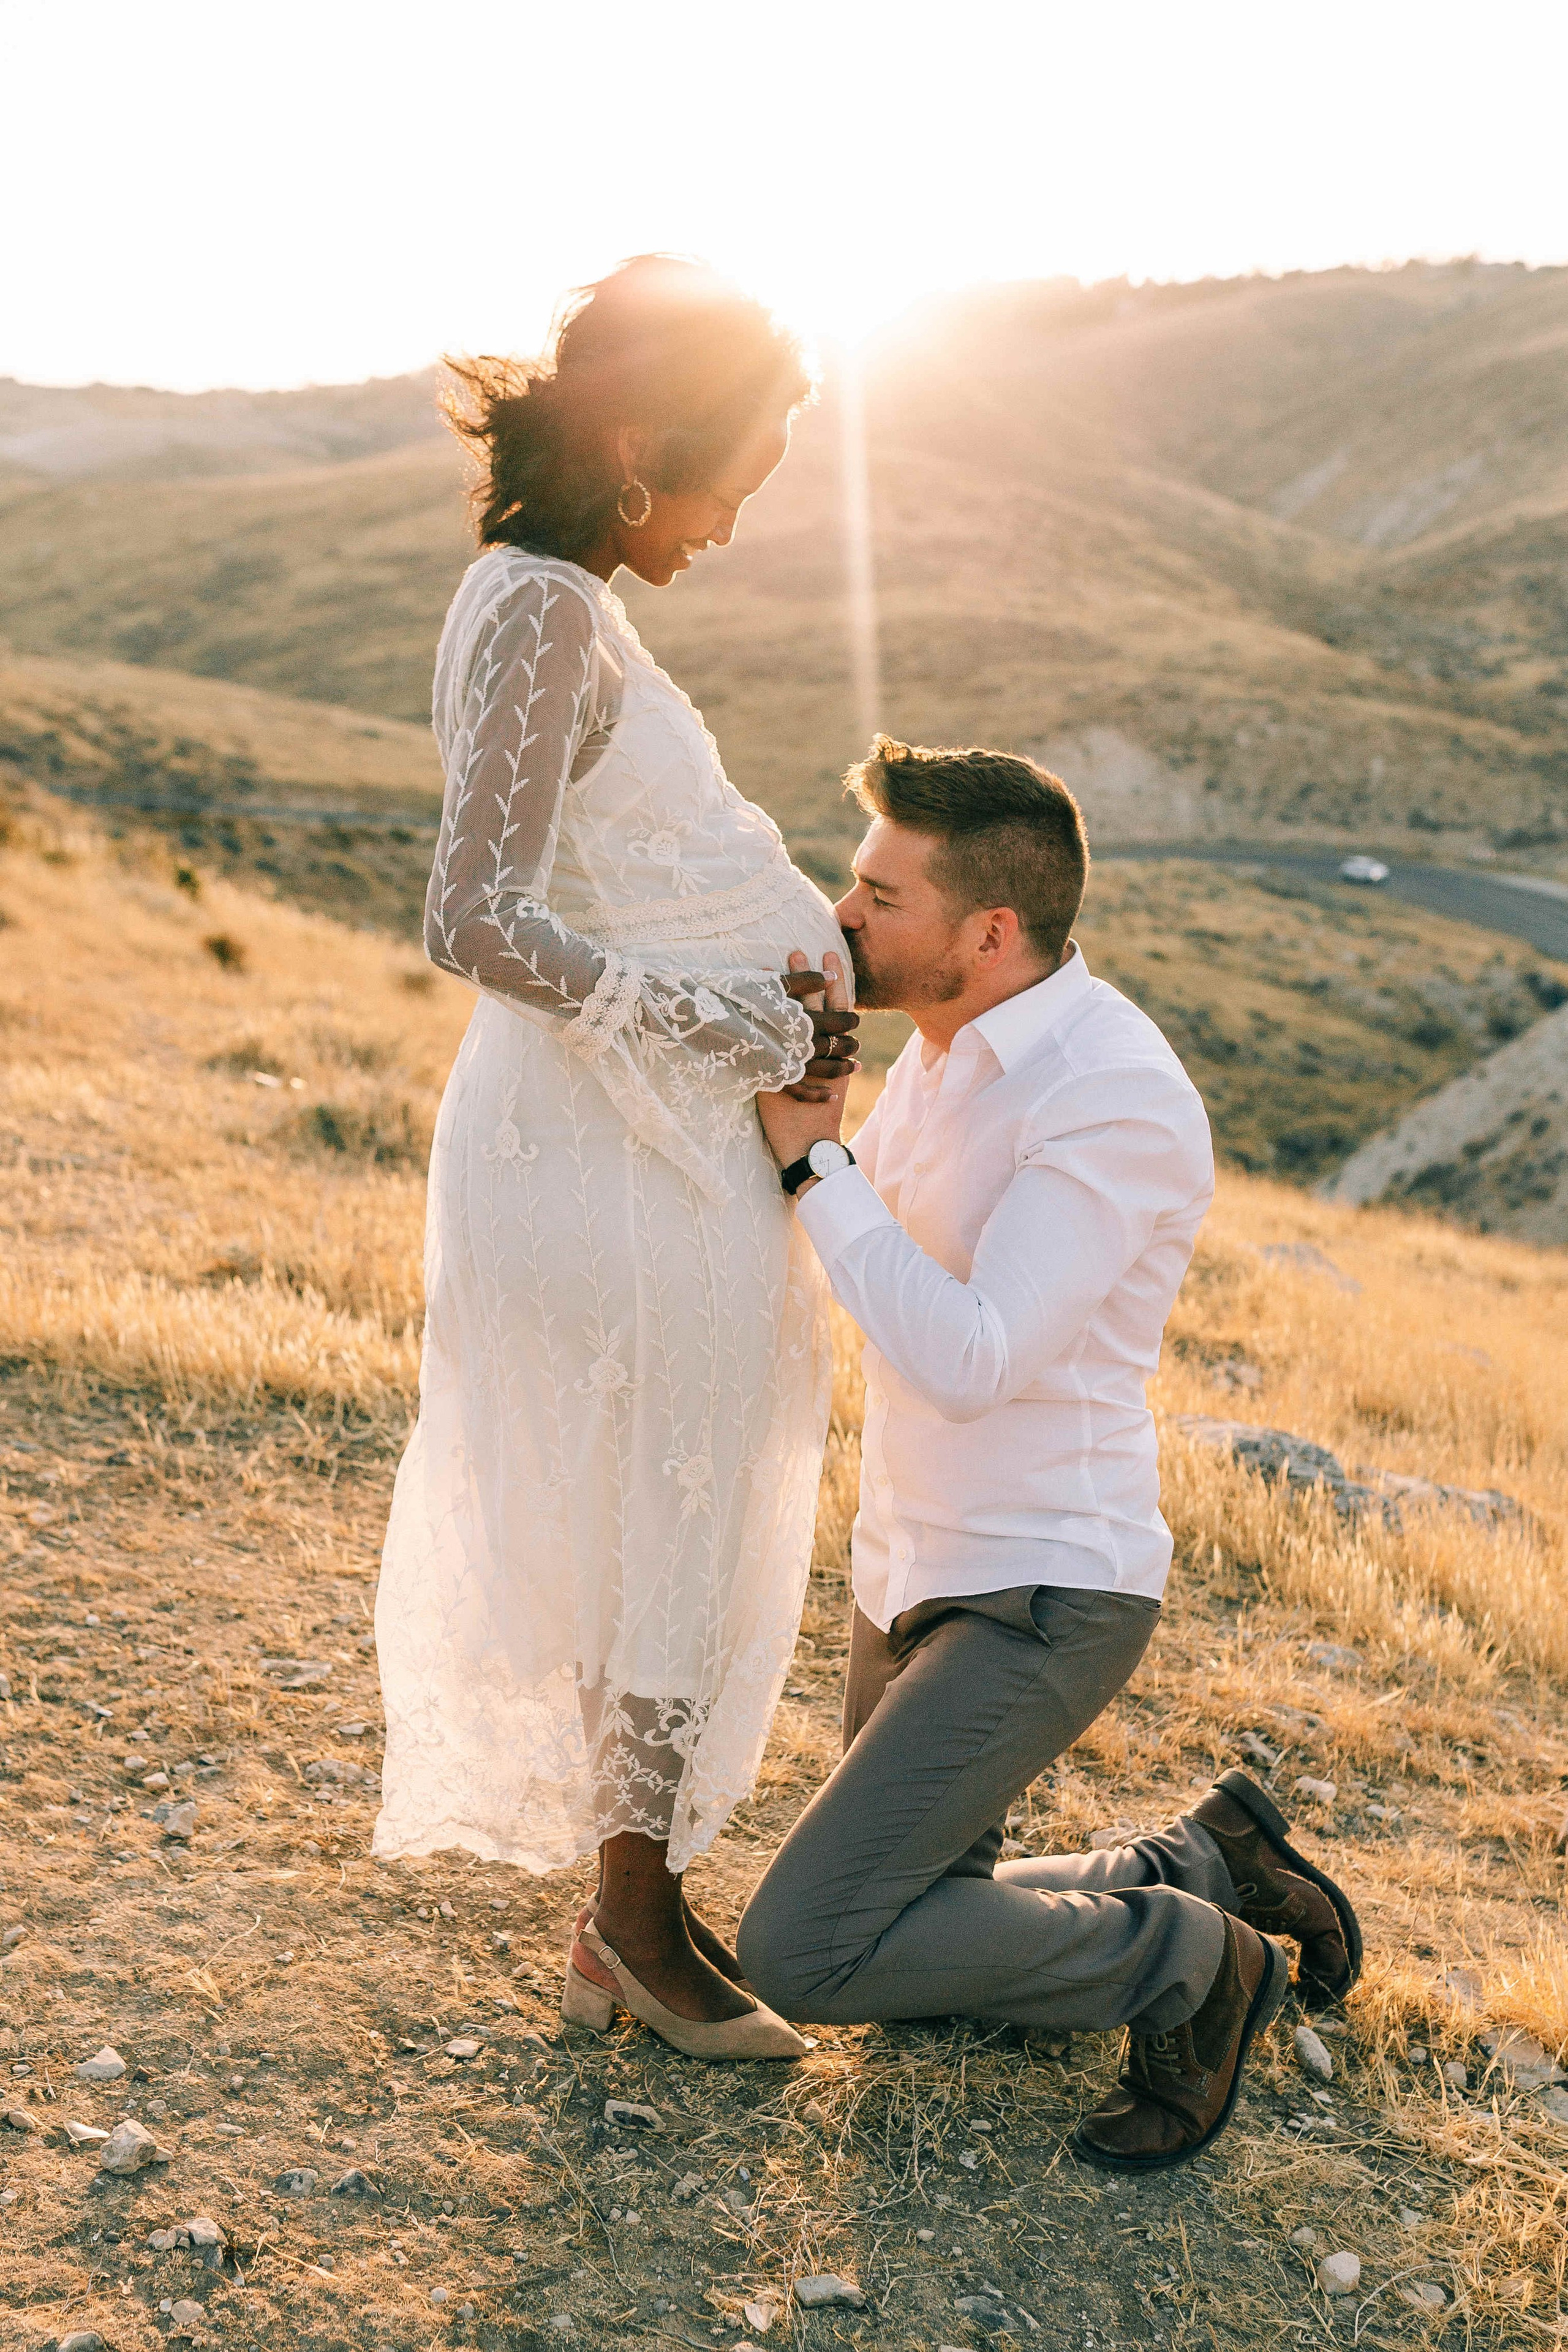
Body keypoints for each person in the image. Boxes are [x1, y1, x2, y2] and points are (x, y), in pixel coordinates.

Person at [737, 737, 1362, 2167]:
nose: (843, 916)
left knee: (808, 1952)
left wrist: (814, 1159)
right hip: (907, 1566)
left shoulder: (1108, 1092)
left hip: (1042, 1588)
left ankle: (1195, 1961)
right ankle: (1195, 1859)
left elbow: (970, 1358)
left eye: (877, 893)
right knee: (905, 1941)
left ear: (988, 931)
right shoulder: (948, 1054)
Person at [372, 257, 862, 2060]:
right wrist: (730, 1023)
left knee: (672, 1493)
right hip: (600, 1147)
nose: (742, 516)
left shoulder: (562, 600)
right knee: (660, 1499)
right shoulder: (544, 613)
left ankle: (632, 1913)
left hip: (634, 1141)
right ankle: (636, 1927)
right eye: (740, 471)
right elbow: (474, 913)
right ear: (645, 447)